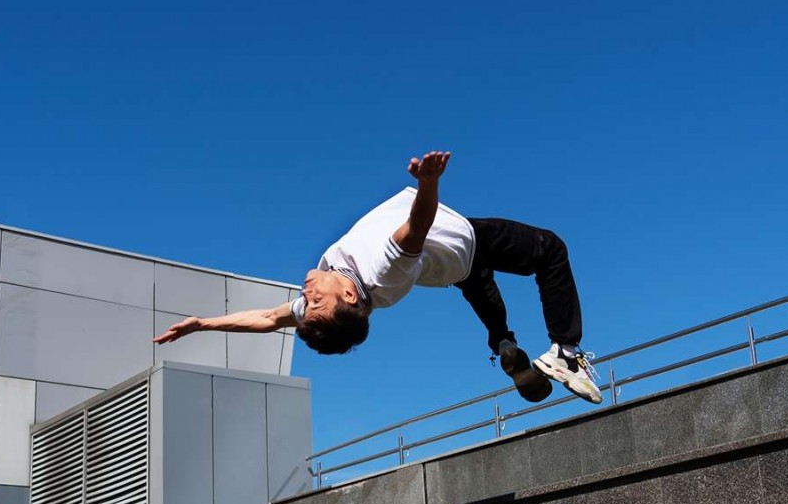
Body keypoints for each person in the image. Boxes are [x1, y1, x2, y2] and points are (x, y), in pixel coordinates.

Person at [153, 151, 601, 404]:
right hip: (467, 239)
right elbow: (416, 227)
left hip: (452, 270)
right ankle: (567, 352)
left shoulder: (342, 291)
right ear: (349, 294)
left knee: (482, 292)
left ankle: (503, 344)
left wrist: (203, 323)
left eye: (307, 302)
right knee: (551, 251)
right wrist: (428, 183)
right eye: (317, 301)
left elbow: (268, 319)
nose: (307, 293)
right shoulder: (380, 271)